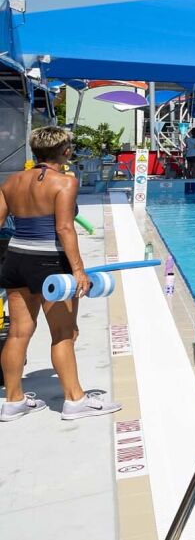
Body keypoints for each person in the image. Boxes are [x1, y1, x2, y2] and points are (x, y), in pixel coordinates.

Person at [1, 126, 123, 421]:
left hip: (16, 259)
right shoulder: (65, 182)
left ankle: (13, 401)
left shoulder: (11, 182)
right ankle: (74, 400)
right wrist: (79, 271)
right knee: (63, 333)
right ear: (66, 151)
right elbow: (64, 228)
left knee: (18, 332)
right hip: (50, 264)